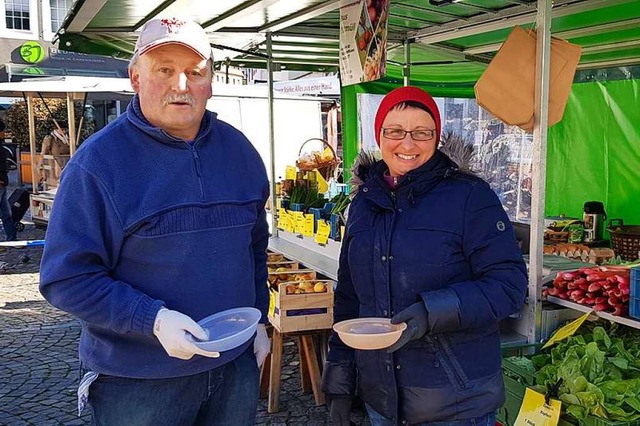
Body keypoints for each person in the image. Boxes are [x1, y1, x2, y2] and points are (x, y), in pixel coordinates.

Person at [39, 17, 271, 425]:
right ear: (135, 77)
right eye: (164, 70)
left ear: (210, 82)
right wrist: (154, 320)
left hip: (233, 366)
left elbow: (253, 246)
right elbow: (65, 278)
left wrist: (259, 319)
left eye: (195, 72)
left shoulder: (241, 152)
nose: (181, 85)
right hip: (139, 380)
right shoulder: (98, 165)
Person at [322, 86, 528, 425]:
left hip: (455, 405)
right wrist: (340, 386)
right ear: (379, 135)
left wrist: (431, 312)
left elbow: (509, 286)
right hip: (381, 403)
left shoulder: (470, 197)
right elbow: (349, 300)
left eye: (421, 132)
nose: (407, 144)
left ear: (436, 138)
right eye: (395, 131)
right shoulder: (363, 203)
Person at [0, 138, 17, 241]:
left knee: (6, 213)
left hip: (2, 183)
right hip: (1, 181)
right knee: (6, 213)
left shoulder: (1, 146)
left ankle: (11, 237)